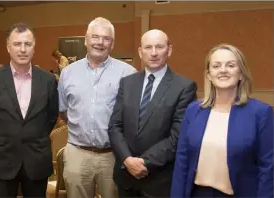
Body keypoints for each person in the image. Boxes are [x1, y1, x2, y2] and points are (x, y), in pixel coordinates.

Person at [171, 44, 273, 198]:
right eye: (216, 66)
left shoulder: (260, 113)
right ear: (209, 75)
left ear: (241, 74)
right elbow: (182, 161)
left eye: (231, 65)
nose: (223, 70)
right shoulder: (193, 110)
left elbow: (268, 167)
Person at [108, 29, 197, 197]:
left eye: (159, 47)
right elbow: (115, 126)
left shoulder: (184, 87)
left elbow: (177, 136)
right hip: (126, 178)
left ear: (169, 50)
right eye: (148, 47)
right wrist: (127, 160)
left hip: (159, 181)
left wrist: (143, 163)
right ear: (141, 52)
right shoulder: (127, 83)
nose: (154, 53)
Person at [58, 17, 136, 198]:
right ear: (86, 40)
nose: (100, 42)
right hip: (78, 153)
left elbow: (133, 116)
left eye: (106, 38)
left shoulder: (128, 73)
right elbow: (63, 112)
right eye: (95, 37)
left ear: (112, 43)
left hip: (114, 156)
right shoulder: (68, 73)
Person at [0, 22, 58, 197]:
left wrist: (33, 135)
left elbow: (51, 118)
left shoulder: (48, 81)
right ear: (8, 47)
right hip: (1, 160)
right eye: (17, 44)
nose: (23, 49)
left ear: (34, 47)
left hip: (36, 160)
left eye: (27, 44)